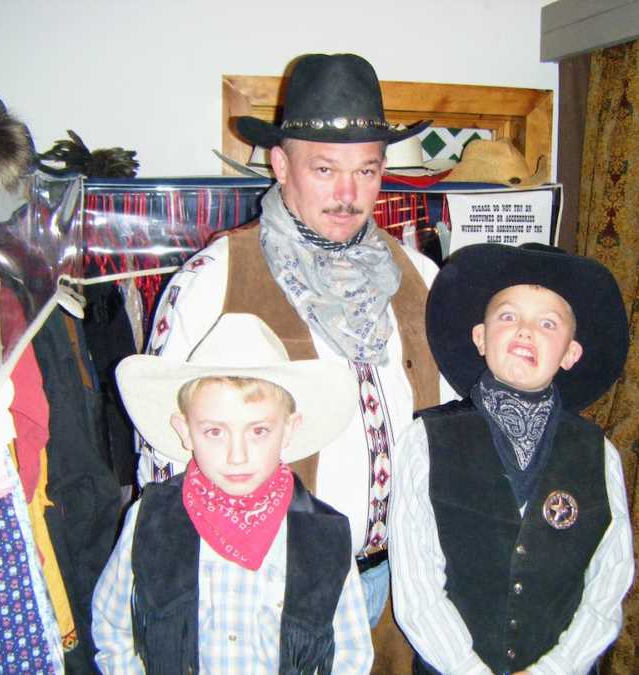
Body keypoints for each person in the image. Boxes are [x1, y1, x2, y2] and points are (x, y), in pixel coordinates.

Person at [139, 52, 446, 643]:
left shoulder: (420, 278)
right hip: (259, 592)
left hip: (395, 588)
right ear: (281, 164)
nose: (349, 193)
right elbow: (163, 452)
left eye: (368, 171)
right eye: (326, 169)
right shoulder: (217, 277)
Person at [390, 243, 635, 675]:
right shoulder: (425, 441)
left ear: (570, 353)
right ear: (481, 337)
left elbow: (609, 582)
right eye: (508, 316)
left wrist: (555, 669)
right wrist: (467, 669)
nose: (525, 331)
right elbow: (417, 586)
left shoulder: (599, 454)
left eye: (547, 323)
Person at [92, 313, 373, 673]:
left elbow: (352, 655)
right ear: (185, 430)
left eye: (258, 431)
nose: (236, 455)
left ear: (288, 431)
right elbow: (112, 626)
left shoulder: (326, 536)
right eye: (214, 432)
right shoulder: (150, 519)